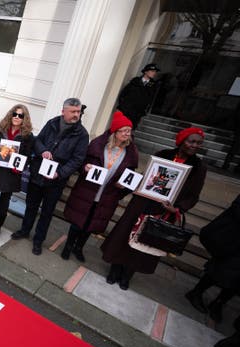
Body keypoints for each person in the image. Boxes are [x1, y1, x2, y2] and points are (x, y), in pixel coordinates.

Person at [101, 127, 207, 290]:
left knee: (144, 244)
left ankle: (127, 275)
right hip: (140, 203)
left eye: (198, 143)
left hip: (163, 211)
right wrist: (126, 186)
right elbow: (145, 177)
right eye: (191, 141)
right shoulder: (163, 155)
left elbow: (193, 195)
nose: (194, 145)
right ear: (181, 141)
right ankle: (114, 270)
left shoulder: (199, 167)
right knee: (124, 237)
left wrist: (177, 208)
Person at [11, 98, 89, 255]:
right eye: (73, 111)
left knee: (47, 212)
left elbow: (77, 160)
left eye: (78, 112)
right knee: (31, 206)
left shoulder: (82, 134)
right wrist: (42, 151)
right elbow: (37, 140)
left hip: (56, 180)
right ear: (63, 111)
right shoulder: (52, 122)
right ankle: (25, 230)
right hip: (38, 172)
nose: (76, 115)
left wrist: (60, 173)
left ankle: (38, 240)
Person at [61, 111, 139, 262]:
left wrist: (122, 187)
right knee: (78, 222)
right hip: (87, 191)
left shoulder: (131, 153)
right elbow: (80, 161)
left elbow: (131, 178)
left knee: (91, 225)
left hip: (107, 195)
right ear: (114, 132)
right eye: (123, 131)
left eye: (129, 131)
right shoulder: (97, 145)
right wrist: (85, 167)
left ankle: (79, 248)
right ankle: (68, 246)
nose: (127, 134)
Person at [0, 104, 35, 239]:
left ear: (24, 118)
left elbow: (27, 156)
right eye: (14, 114)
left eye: (20, 115)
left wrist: (19, 167)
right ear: (11, 114)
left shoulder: (28, 136)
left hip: (11, 174)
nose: (16, 117)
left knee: (4, 204)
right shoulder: (0, 129)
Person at [185, 194, 240, 323]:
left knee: (237, 280)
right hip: (233, 240)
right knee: (221, 268)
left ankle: (219, 303)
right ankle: (196, 293)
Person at [116, 63, 160, 129]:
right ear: (146, 72)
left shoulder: (154, 85)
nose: (154, 73)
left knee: (130, 129)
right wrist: (122, 106)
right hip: (126, 110)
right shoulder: (135, 81)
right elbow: (124, 93)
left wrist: (145, 110)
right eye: (152, 71)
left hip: (137, 113)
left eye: (155, 72)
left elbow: (151, 99)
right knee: (120, 127)